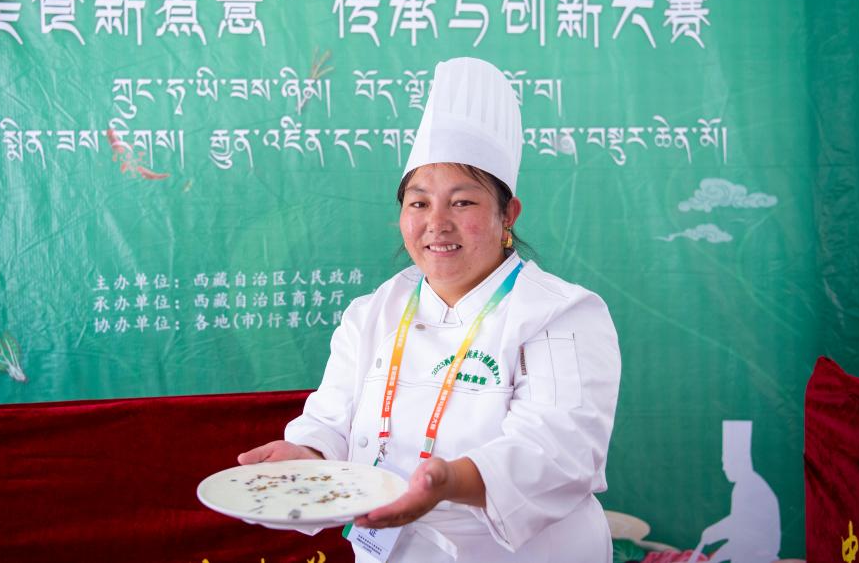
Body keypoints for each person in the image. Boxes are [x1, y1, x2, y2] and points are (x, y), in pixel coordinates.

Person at [238, 57, 621, 562]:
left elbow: (557, 453)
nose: (436, 223)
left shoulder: (561, 313)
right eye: (418, 203)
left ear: (508, 213)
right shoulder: (371, 313)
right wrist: (307, 453)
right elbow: (330, 419)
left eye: (462, 203)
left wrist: (448, 481)